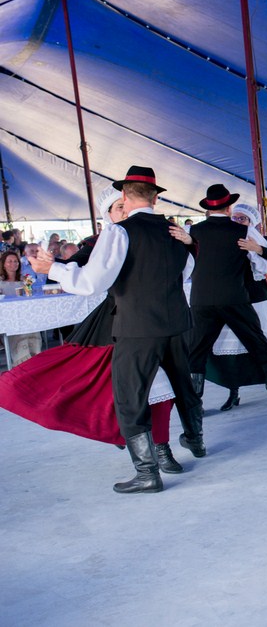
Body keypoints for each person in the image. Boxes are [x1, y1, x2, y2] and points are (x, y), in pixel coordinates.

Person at [30, 166, 203, 494]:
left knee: (129, 397)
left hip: (138, 326)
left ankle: (147, 473)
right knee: (183, 385)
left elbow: (94, 282)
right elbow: (187, 271)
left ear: (124, 195)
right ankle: (196, 442)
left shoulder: (120, 231)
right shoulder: (174, 231)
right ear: (156, 196)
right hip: (178, 322)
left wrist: (52, 268)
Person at [0, 184, 183, 473]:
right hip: (116, 324)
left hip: (148, 324)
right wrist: (54, 266)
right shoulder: (104, 241)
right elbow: (82, 270)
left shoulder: (156, 233)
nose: (125, 212)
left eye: (125, 206)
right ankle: (149, 453)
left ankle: (160, 450)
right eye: (119, 209)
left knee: (158, 387)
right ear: (108, 215)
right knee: (125, 389)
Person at [182, 184, 267, 405]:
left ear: (209, 208)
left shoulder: (194, 232)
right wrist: (258, 249)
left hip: (201, 299)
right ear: (229, 208)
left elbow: (184, 265)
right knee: (257, 341)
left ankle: (193, 404)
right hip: (233, 298)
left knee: (197, 350)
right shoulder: (242, 231)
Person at [203, 202, 267, 411]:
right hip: (231, 300)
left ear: (251, 222)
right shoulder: (224, 238)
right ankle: (234, 391)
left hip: (255, 297)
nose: (238, 222)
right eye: (236, 218)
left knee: (262, 344)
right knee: (230, 350)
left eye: (242, 219)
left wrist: (256, 248)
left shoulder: (254, 237)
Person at [0, 250, 43, 366]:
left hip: (25, 316)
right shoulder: (0, 283)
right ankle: (22, 362)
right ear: (3, 264)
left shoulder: (25, 281)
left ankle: (35, 358)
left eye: (15, 261)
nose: (13, 263)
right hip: (8, 320)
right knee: (20, 333)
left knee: (33, 328)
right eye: (9, 261)